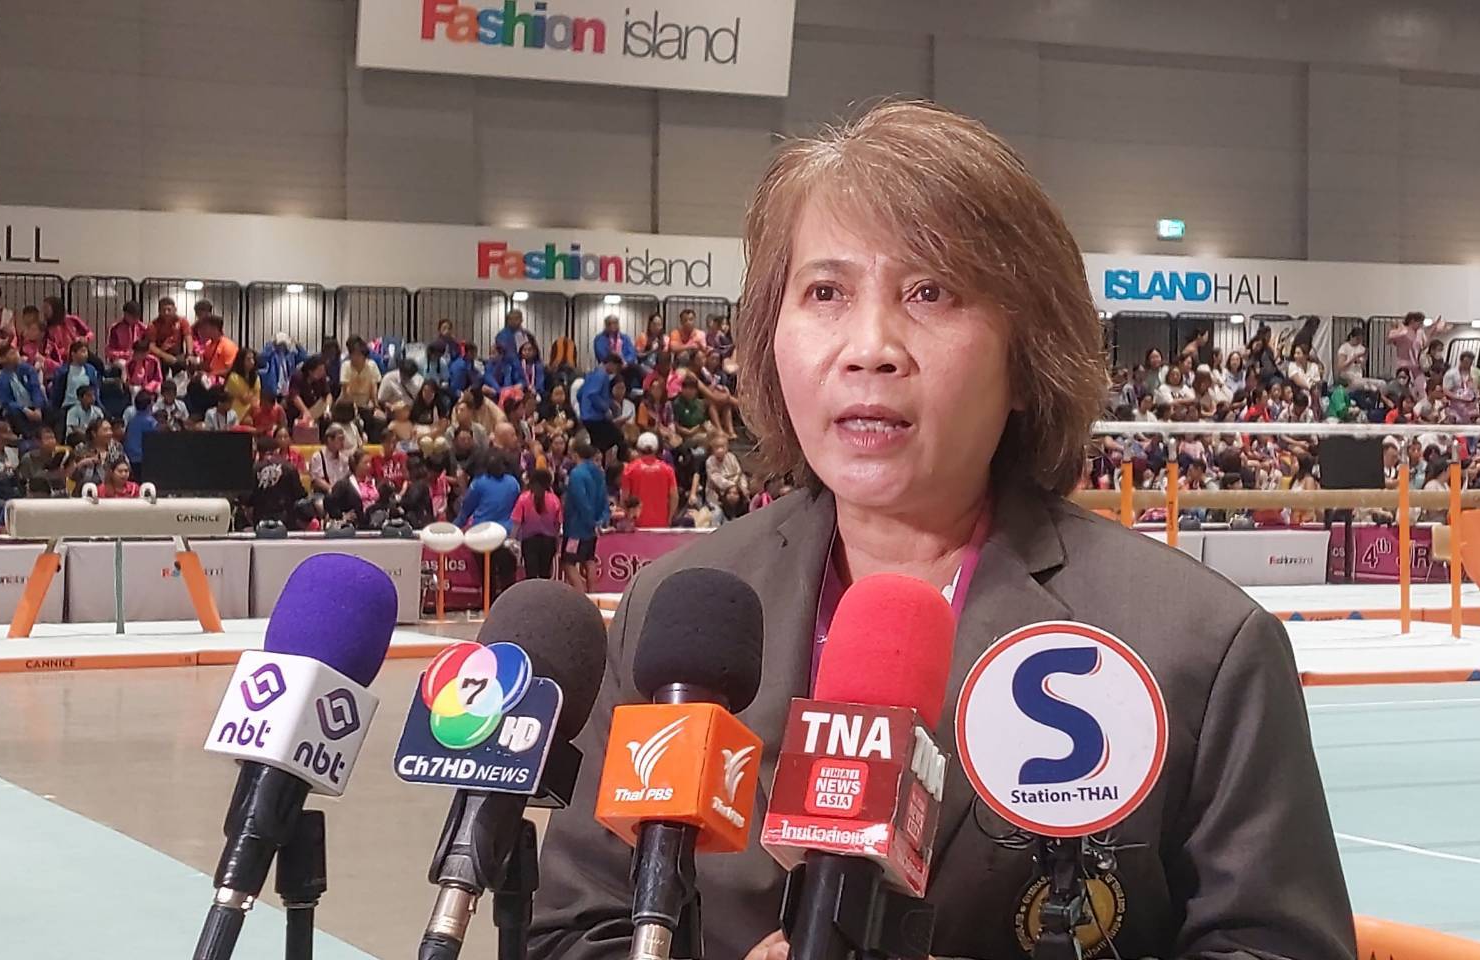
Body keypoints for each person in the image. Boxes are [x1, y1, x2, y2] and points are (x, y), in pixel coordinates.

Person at [530, 100, 1353, 960]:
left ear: (1028, 357)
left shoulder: (1198, 648)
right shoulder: (676, 616)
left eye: (930, 292)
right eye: (824, 292)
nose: (870, 347)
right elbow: (575, 933)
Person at [457, 450, 521, 597]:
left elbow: (466, 509)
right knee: (507, 578)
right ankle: (506, 603)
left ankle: (489, 604)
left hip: (482, 535)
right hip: (505, 535)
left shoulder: (478, 483)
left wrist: (455, 526)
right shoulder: (513, 483)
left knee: (487, 577)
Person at [560, 439, 608, 593]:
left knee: (568, 562)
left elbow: (581, 500)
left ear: (576, 455)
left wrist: (590, 522)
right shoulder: (599, 473)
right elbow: (604, 499)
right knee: (589, 559)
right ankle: (592, 593)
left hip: (576, 529)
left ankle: (580, 595)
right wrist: (600, 521)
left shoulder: (577, 474)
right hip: (592, 527)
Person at [513, 468, 564, 580]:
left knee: (531, 577)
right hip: (548, 543)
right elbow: (558, 525)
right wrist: (557, 543)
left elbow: (516, 523)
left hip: (529, 543)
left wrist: (512, 541)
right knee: (545, 575)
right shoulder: (554, 500)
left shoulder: (523, 499)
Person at [1386, 311, 1450, 399]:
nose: (1420, 325)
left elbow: (1424, 345)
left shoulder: (1420, 332)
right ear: (1412, 321)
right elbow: (1389, 340)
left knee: (1422, 390)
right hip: (1404, 366)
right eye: (1419, 323)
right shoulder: (1402, 331)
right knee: (1405, 392)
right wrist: (1396, 329)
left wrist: (1434, 328)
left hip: (1417, 366)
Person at [619, 432, 677, 527]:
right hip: (661, 524)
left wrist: (628, 518)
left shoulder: (629, 469)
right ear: (656, 449)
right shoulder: (667, 470)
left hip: (637, 524)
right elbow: (674, 497)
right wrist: (669, 518)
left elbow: (624, 498)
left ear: (638, 448)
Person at [0, 342, 47, 440]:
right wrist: (24, 409)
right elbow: (6, 401)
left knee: (53, 409)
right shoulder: (1, 378)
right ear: (3, 359)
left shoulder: (28, 369)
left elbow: (35, 388)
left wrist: (37, 408)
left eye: (16, 352)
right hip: (18, 409)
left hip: (34, 405)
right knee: (12, 411)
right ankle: (28, 437)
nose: (16, 355)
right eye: (12, 354)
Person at [578, 355, 624, 456]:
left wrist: (583, 409)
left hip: (586, 416)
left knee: (597, 444)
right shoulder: (602, 375)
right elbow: (593, 395)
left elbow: (580, 394)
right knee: (618, 438)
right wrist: (605, 408)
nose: (615, 372)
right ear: (611, 364)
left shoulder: (591, 374)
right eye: (616, 368)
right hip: (596, 417)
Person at [122, 390, 158, 481]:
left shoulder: (132, 421)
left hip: (131, 459)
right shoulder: (151, 422)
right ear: (149, 405)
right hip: (145, 460)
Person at [148, 297, 193, 369]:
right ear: (159, 311)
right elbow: (151, 346)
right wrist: (165, 356)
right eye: (163, 310)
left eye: (169, 309)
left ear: (175, 309)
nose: (166, 313)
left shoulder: (182, 321)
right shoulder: (153, 325)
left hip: (179, 356)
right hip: (160, 355)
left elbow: (188, 337)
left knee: (188, 362)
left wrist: (189, 354)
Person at [104, 301, 147, 372]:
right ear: (126, 314)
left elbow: (146, 347)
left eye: (137, 316)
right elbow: (108, 351)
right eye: (133, 316)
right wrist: (125, 354)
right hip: (120, 359)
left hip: (138, 357)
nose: (136, 319)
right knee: (125, 365)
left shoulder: (143, 328)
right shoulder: (115, 328)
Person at [1441, 350, 1480, 423]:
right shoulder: (1451, 374)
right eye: (1466, 362)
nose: (1468, 364)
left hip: (1471, 406)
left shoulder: (1475, 373)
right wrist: (1459, 397)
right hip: (1456, 406)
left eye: (1470, 362)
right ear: (1461, 361)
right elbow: (1445, 390)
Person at [225, 348, 261, 420]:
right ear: (241, 361)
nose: (252, 362)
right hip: (238, 413)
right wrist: (252, 396)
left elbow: (257, 398)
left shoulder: (256, 377)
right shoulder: (233, 378)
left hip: (253, 412)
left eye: (252, 359)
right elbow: (244, 400)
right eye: (248, 359)